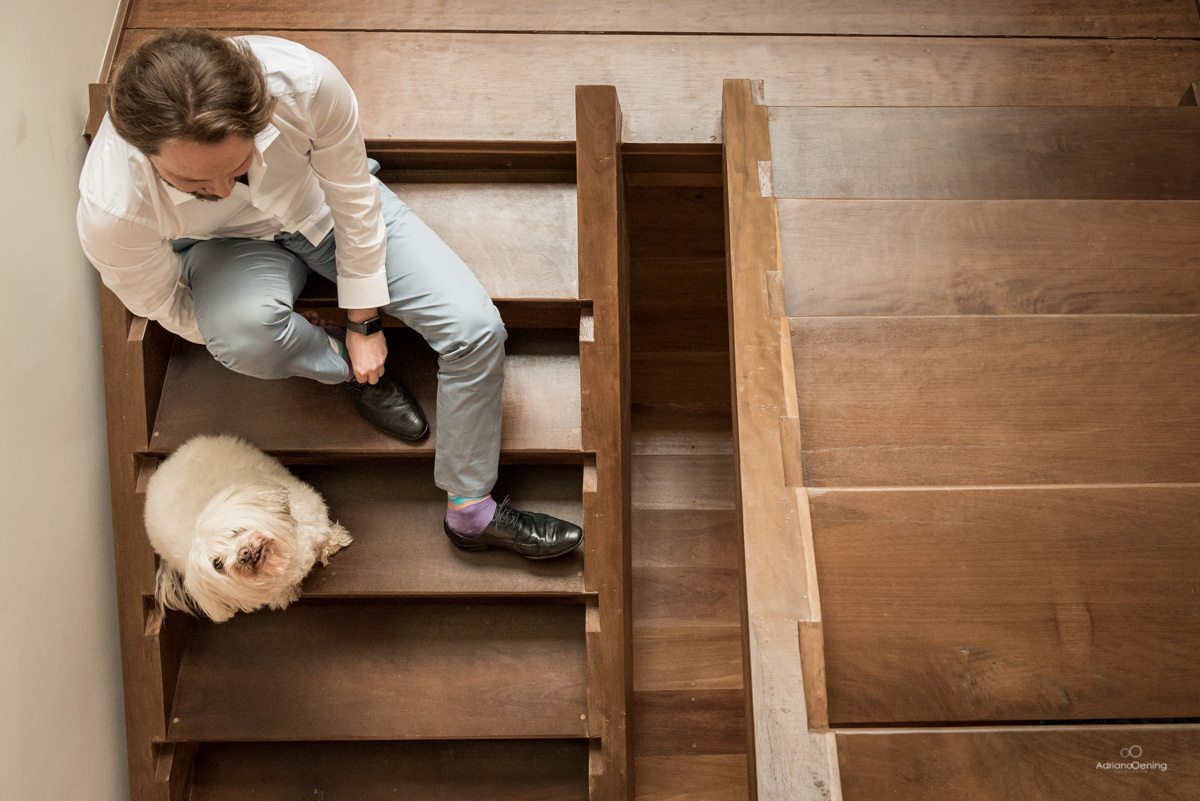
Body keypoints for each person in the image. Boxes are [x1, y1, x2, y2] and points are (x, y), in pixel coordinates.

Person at [78, 28, 582, 560]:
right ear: (140, 150)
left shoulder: (306, 81)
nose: (224, 190)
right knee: (240, 340)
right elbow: (165, 305)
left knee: (475, 328)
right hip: (221, 248)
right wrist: (315, 343)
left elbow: (353, 197)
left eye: (238, 167)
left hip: (323, 208)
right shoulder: (112, 211)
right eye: (194, 184)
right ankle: (345, 370)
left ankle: (471, 513)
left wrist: (366, 322)